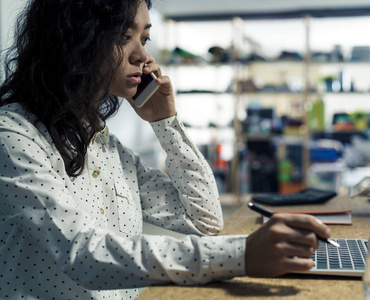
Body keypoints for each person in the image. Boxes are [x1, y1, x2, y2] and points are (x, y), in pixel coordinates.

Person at [0, 0, 332, 299]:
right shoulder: (12, 134)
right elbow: (82, 254)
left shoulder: (104, 144)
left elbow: (203, 220)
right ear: (73, 40)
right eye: (121, 36)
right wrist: (241, 254)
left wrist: (165, 122)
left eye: (143, 38)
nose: (143, 56)